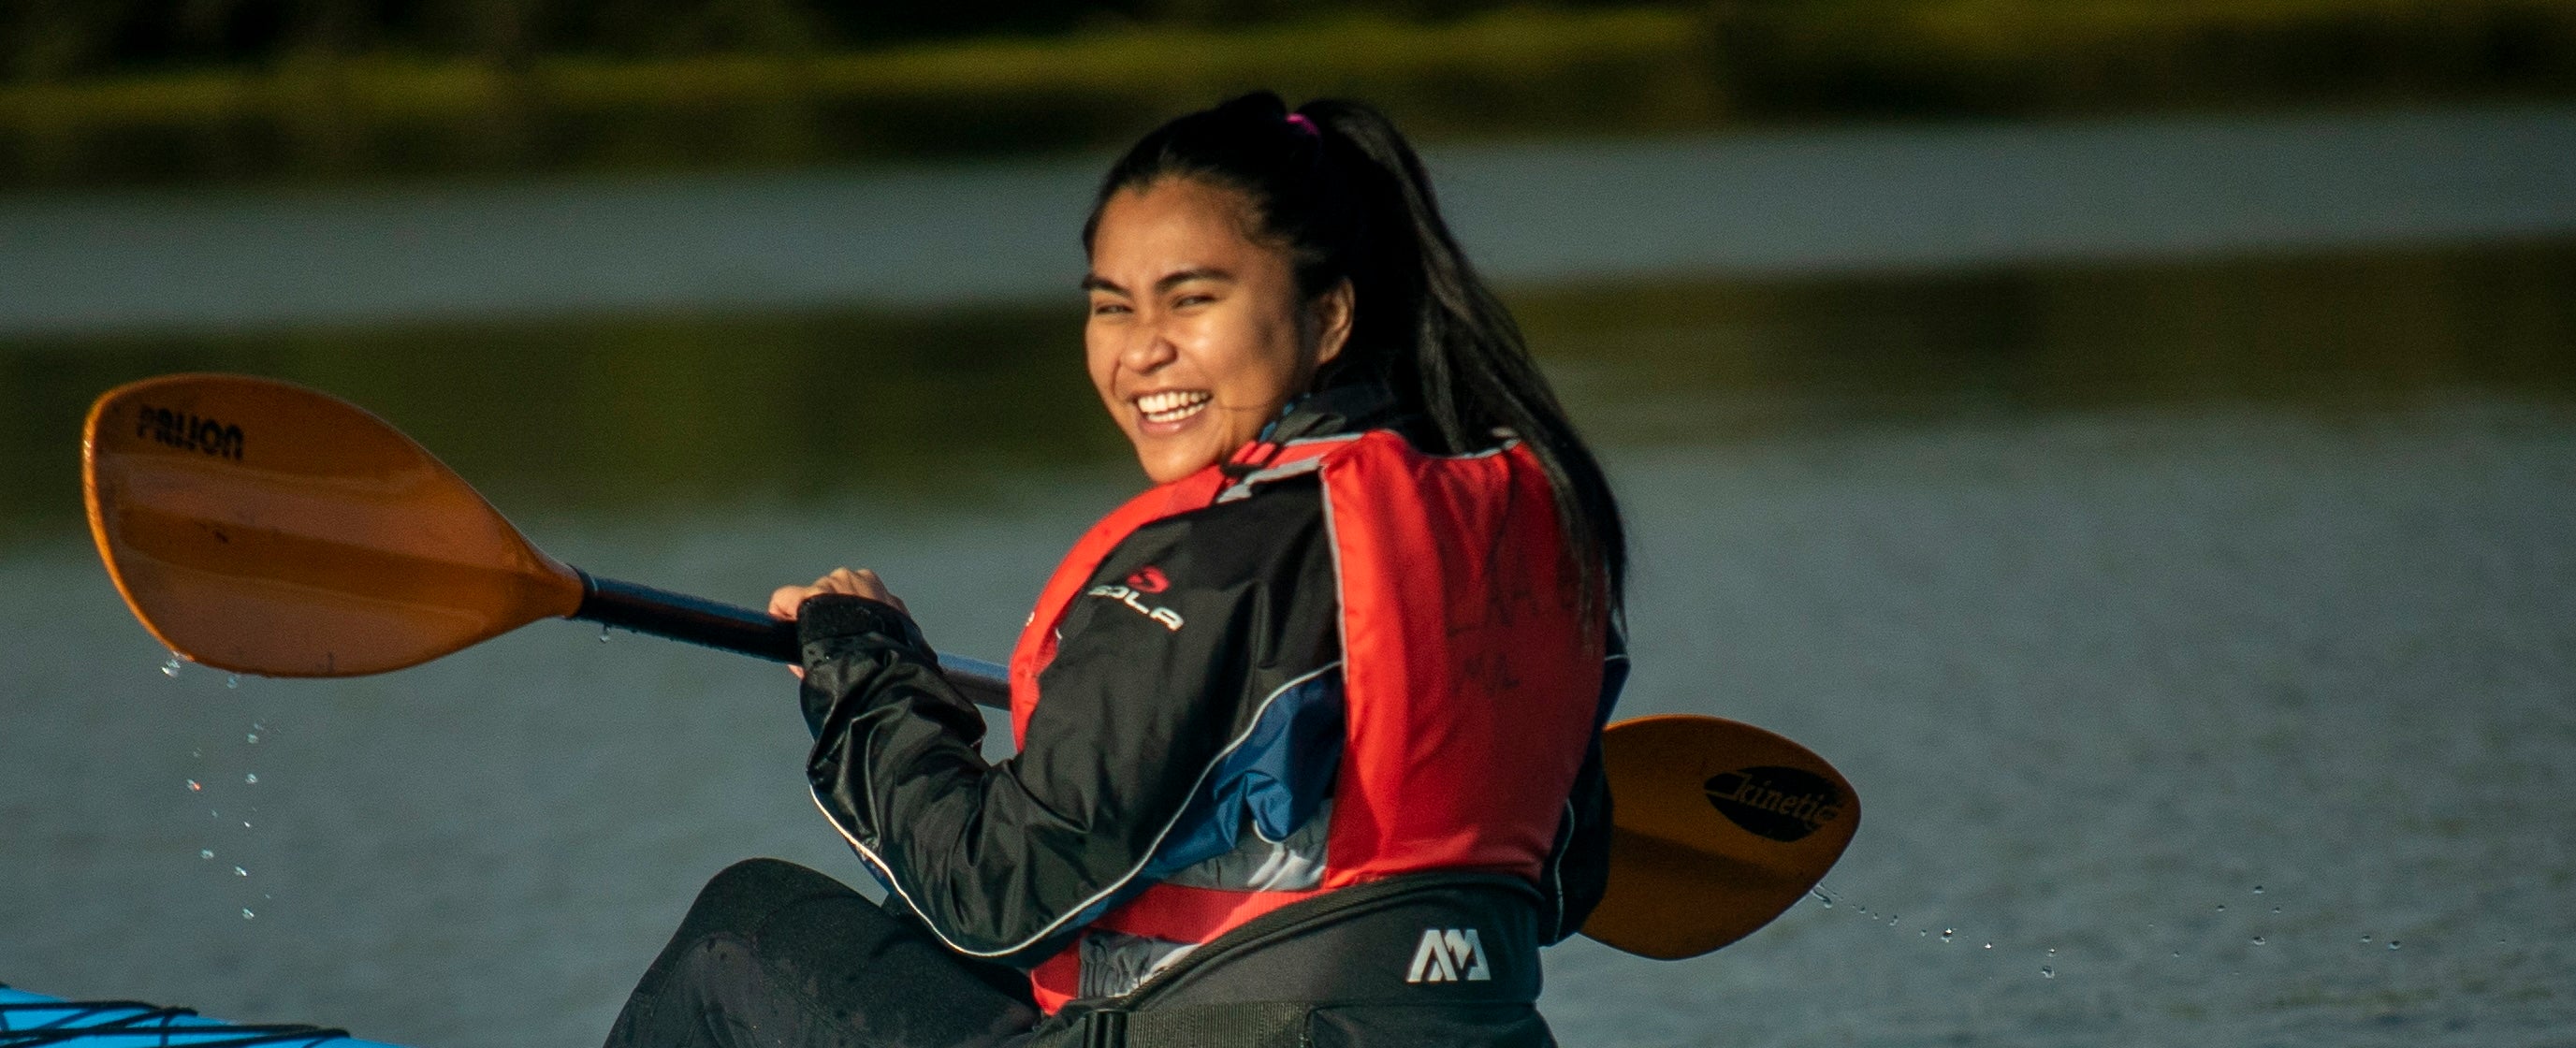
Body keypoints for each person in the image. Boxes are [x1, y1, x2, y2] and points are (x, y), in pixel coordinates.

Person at [604, 91, 1629, 1048]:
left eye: (1190, 300)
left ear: (1328, 314)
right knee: (910, 934)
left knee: (738, 931)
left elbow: (996, 889)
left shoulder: (1220, 563)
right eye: (1110, 307)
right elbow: (1562, 880)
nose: (1140, 351)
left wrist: (862, 685)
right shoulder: (1532, 531)